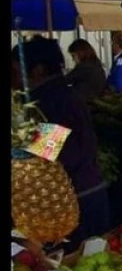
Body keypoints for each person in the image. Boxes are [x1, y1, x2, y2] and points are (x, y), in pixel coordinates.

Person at [12, 36, 110, 251]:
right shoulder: (61, 93)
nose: (13, 78)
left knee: (76, 263)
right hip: (87, 192)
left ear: (37, 70)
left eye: (16, 71)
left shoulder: (50, 101)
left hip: (74, 200)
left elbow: (50, 154)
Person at [65, 39, 107, 103]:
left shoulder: (83, 68)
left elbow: (65, 80)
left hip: (85, 104)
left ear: (80, 54)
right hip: (96, 102)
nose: (73, 59)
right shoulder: (95, 64)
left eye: (73, 56)